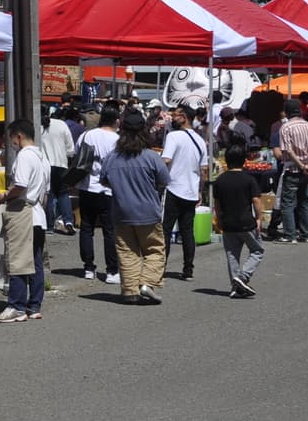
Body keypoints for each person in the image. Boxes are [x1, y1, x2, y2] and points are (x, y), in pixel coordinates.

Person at [101, 110, 171, 305]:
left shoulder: (112, 157)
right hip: (148, 211)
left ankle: (130, 291)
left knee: (127, 252)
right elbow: (164, 180)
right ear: (144, 130)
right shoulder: (151, 156)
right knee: (155, 250)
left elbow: (104, 180)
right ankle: (148, 282)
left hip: (121, 212)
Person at [0, 119, 50, 322]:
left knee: (17, 260)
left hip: (23, 211)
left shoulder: (25, 156)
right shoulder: (43, 158)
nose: (12, 144)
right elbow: (46, 193)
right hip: (38, 214)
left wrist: (5, 195)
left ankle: (16, 305)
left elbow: (20, 185)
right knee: (35, 261)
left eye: (12, 140)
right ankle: (34, 305)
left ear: (18, 136)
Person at [161, 104, 208, 281]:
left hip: (173, 188)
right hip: (190, 191)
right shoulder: (200, 140)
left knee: (165, 229)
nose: (173, 117)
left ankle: (160, 267)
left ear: (184, 118)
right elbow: (203, 170)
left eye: (176, 115)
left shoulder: (173, 136)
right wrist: (199, 191)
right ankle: (188, 269)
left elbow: (166, 160)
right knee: (187, 231)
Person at [212, 143, 264, 298]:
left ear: (227, 160)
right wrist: (259, 218)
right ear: (244, 160)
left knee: (232, 254)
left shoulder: (220, 180)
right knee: (257, 250)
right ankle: (242, 277)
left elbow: (217, 203)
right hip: (246, 221)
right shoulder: (248, 179)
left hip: (227, 222)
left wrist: (219, 218)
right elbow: (256, 200)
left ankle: (235, 286)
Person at [76, 107, 121, 284]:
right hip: (108, 189)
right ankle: (111, 271)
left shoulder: (87, 135)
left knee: (87, 228)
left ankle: (88, 268)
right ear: (116, 121)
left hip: (87, 186)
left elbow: (77, 154)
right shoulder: (117, 140)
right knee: (110, 231)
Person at [277, 98, 308, 243]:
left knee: (287, 202)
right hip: (307, 171)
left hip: (292, 169)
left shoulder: (286, 128)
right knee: (304, 202)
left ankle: (289, 235)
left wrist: (301, 165)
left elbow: (288, 150)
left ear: (286, 112)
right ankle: (306, 234)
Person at [41, 107, 76, 235]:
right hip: (62, 164)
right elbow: (71, 149)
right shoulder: (62, 125)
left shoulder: (39, 127)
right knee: (63, 193)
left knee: (49, 194)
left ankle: (49, 225)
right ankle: (68, 221)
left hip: (46, 165)